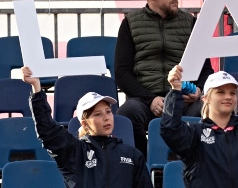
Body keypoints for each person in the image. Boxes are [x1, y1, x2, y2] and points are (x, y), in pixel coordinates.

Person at [114, 0, 215, 156]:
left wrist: (199, 90)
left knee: (207, 110)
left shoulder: (190, 23)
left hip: (183, 99)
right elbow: (121, 73)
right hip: (144, 100)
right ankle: (145, 164)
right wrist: (150, 99)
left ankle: (191, 164)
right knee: (126, 114)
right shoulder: (130, 23)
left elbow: (206, 69)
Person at [21, 66, 152, 188]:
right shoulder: (75, 151)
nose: (106, 117)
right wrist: (37, 88)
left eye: (108, 111)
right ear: (84, 123)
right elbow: (48, 131)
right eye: (98, 114)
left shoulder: (132, 154)